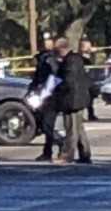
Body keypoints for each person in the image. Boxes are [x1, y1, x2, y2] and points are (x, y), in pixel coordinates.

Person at [53, 37, 93, 165]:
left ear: (61, 49)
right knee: (79, 128)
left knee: (71, 129)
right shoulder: (76, 59)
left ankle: (67, 155)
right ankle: (85, 154)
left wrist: (57, 88)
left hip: (72, 100)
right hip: (78, 98)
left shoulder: (69, 62)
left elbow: (68, 81)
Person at [28, 37, 61, 163]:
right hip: (41, 95)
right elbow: (37, 77)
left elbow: (53, 78)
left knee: (47, 125)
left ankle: (56, 146)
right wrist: (32, 88)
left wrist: (44, 90)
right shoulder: (42, 58)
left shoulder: (50, 60)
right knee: (42, 123)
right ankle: (51, 149)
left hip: (49, 96)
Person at [80, 37, 99, 121]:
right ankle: (81, 116)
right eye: (86, 46)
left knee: (90, 100)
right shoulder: (81, 58)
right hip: (83, 82)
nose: (89, 48)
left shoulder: (90, 58)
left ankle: (91, 114)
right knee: (83, 99)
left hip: (90, 81)